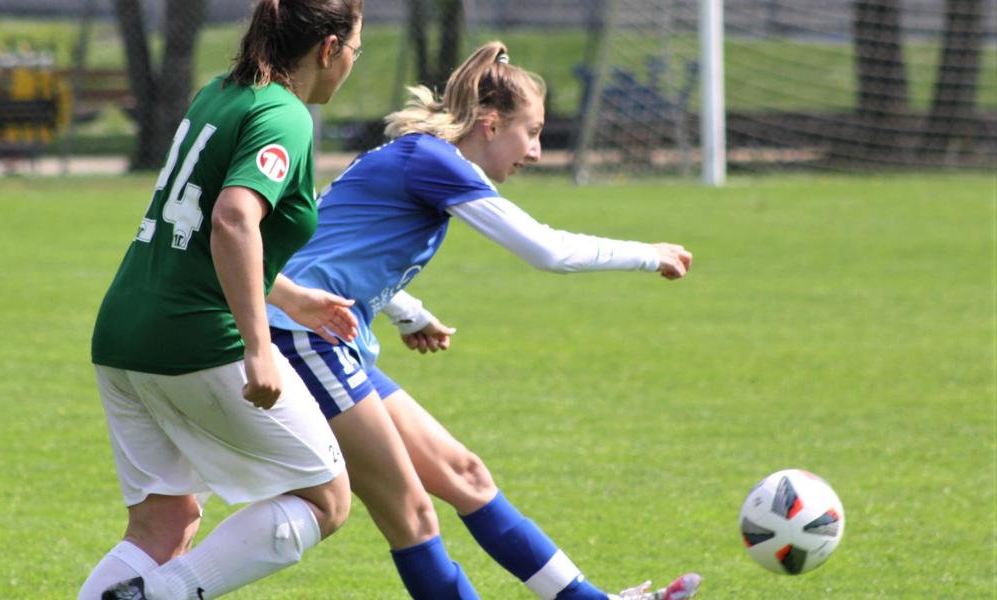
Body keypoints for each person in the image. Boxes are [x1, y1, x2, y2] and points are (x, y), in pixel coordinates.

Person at [267, 41, 701, 600]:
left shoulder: (418, 158)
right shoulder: (433, 161)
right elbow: (546, 250)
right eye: (533, 132)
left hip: (328, 337)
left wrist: (409, 313)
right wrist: (648, 253)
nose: (538, 152)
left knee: (465, 474)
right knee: (413, 515)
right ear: (491, 125)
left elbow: (332, 250)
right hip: (301, 338)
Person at [80, 1, 364, 598]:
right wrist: (260, 349)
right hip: (196, 339)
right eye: (355, 51)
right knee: (326, 499)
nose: (352, 65)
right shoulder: (285, 115)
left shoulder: (221, 92)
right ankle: (156, 596)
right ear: (329, 48)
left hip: (124, 332)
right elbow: (233, 219)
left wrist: (290, 298)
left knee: (166, 524)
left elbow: (197, 228)